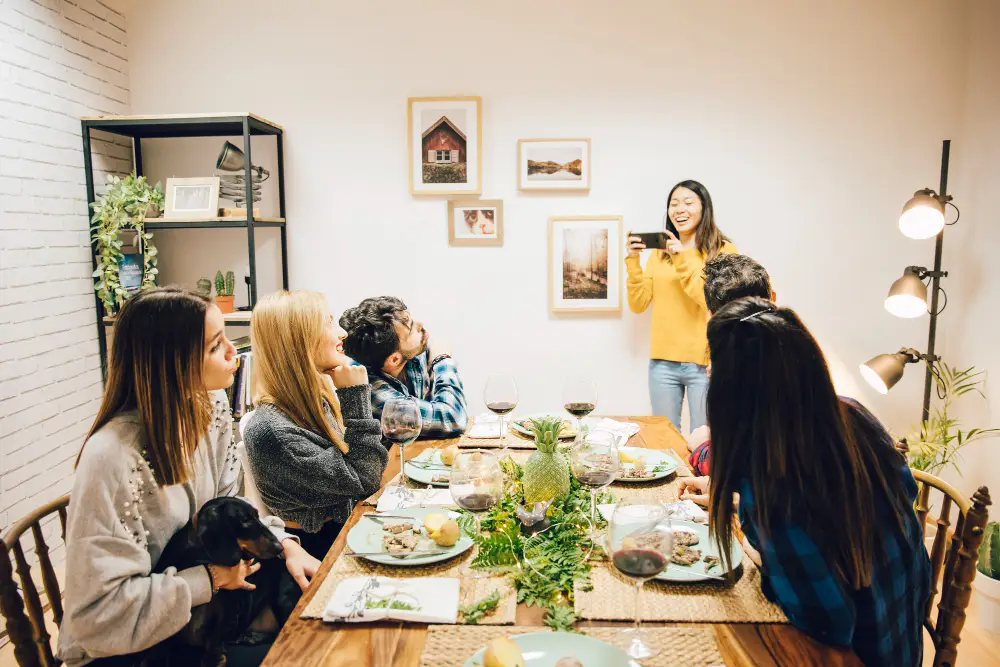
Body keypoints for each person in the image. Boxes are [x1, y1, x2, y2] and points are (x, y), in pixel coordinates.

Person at [59, 287, 319, 667]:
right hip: (128, 649)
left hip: (200, 617)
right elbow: (96, 618)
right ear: (172, 364)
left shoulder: (208, 406)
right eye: (216, 347)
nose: (234, 353)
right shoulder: (112, 457)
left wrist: (284, 545)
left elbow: (235, 511)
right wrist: (209, 579)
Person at [682, 298, 931, 667]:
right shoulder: (852, 415)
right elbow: (894, 500)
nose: (707, 373)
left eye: (713, 367)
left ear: (733, 393)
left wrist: (764, 552)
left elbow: (827, 625)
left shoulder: (773, 484)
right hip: (901, 641)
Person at [243, 291, 389, 559]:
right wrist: (356, 396)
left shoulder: (314, 399)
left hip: (343, 531)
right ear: (300, 341)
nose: (342, 333)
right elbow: (365, 478)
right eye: (328, 323)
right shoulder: (273, 431)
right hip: (317, 552)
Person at [626, 179, 736, 432]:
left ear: (704, 207)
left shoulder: (723, 250)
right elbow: (638, 303)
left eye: (688, 202)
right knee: (665, 438)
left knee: (705, 439)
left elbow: (711, 298)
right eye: (674, 204)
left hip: (706, 362)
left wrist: (681, 258)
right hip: (662, 362)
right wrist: (633, 260)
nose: (679, 209)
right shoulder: (660, 252)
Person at [687, 253, 775, 478]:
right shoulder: (797, 348)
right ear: (772, 298)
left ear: (713, 316)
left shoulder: (742, 374)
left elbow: (738, 469)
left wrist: (702, 447)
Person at [339, 296, 468, 438]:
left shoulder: (410, 356)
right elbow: (453, 419)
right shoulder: (370, 390)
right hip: (393, 459)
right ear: (394, 359)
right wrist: (443, 360)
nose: (420, 324)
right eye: (411, 329)